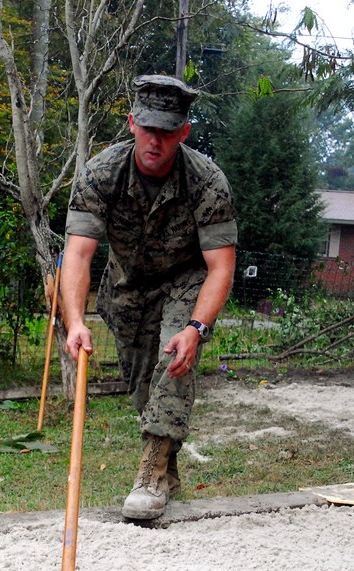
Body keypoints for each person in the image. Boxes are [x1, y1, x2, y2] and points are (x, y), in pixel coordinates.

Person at [60, 74, 237, 520]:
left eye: (167, 131)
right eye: (148, 128)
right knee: (144, 387)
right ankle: (167, 467)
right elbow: (78, 255)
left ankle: (152, 475)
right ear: (132, 123)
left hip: (186, 278)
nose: (155, 140)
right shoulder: (101, 174)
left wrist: (196, 328)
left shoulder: (206, 181)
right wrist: (75, 321)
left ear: (184, 132)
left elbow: (221, 266)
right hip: (127, 286)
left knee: (173, 357)